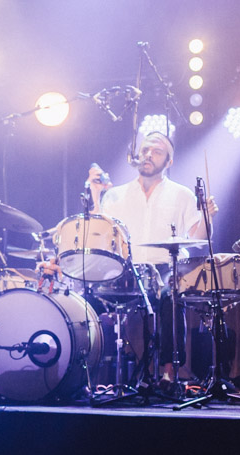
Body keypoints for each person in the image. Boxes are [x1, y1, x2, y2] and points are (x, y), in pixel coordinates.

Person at [85, 131, 218, 385]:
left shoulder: (182, 195)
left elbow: (197, 238)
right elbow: (99, 231)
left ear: (169, 161)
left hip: (166, 267)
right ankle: (95, 373)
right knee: (90, 292)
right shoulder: (115, 195)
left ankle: (169, 372)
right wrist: (95, 196)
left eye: (156, 151)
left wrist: (207, 217)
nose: (148, 155)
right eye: (145, 150)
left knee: (171, 293)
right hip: (127, 268)